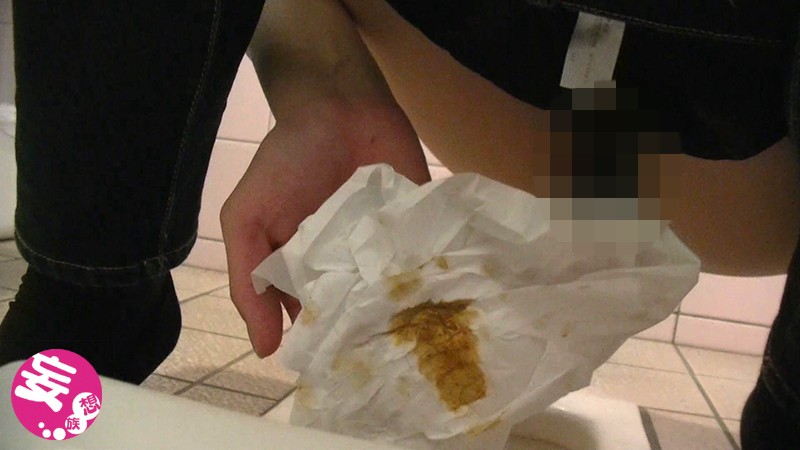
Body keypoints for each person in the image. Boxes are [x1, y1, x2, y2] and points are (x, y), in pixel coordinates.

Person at [0, 0, 798, 448]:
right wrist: (322, 75)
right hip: (480, 49)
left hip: (752, 109)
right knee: (72, 336)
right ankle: (92, 295)